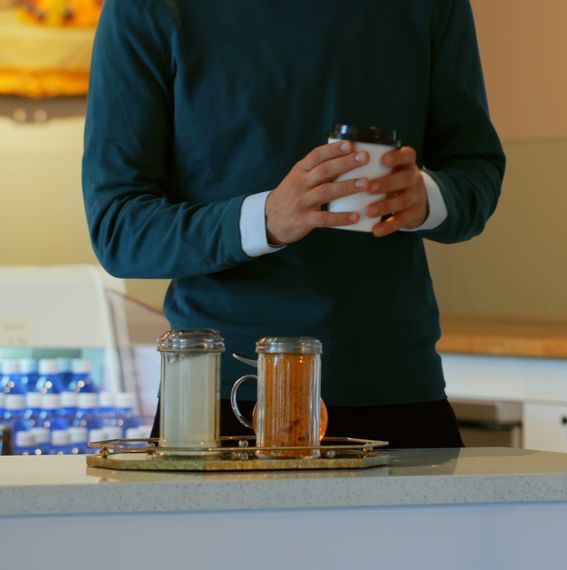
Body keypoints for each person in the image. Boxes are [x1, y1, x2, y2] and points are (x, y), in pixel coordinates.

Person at [82, 1, 505, 448]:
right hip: (220, 403)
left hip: (397, 393)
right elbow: (119, 229)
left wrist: (426, 197)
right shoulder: (146, 8)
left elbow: (475, 171)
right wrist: (266, 219)